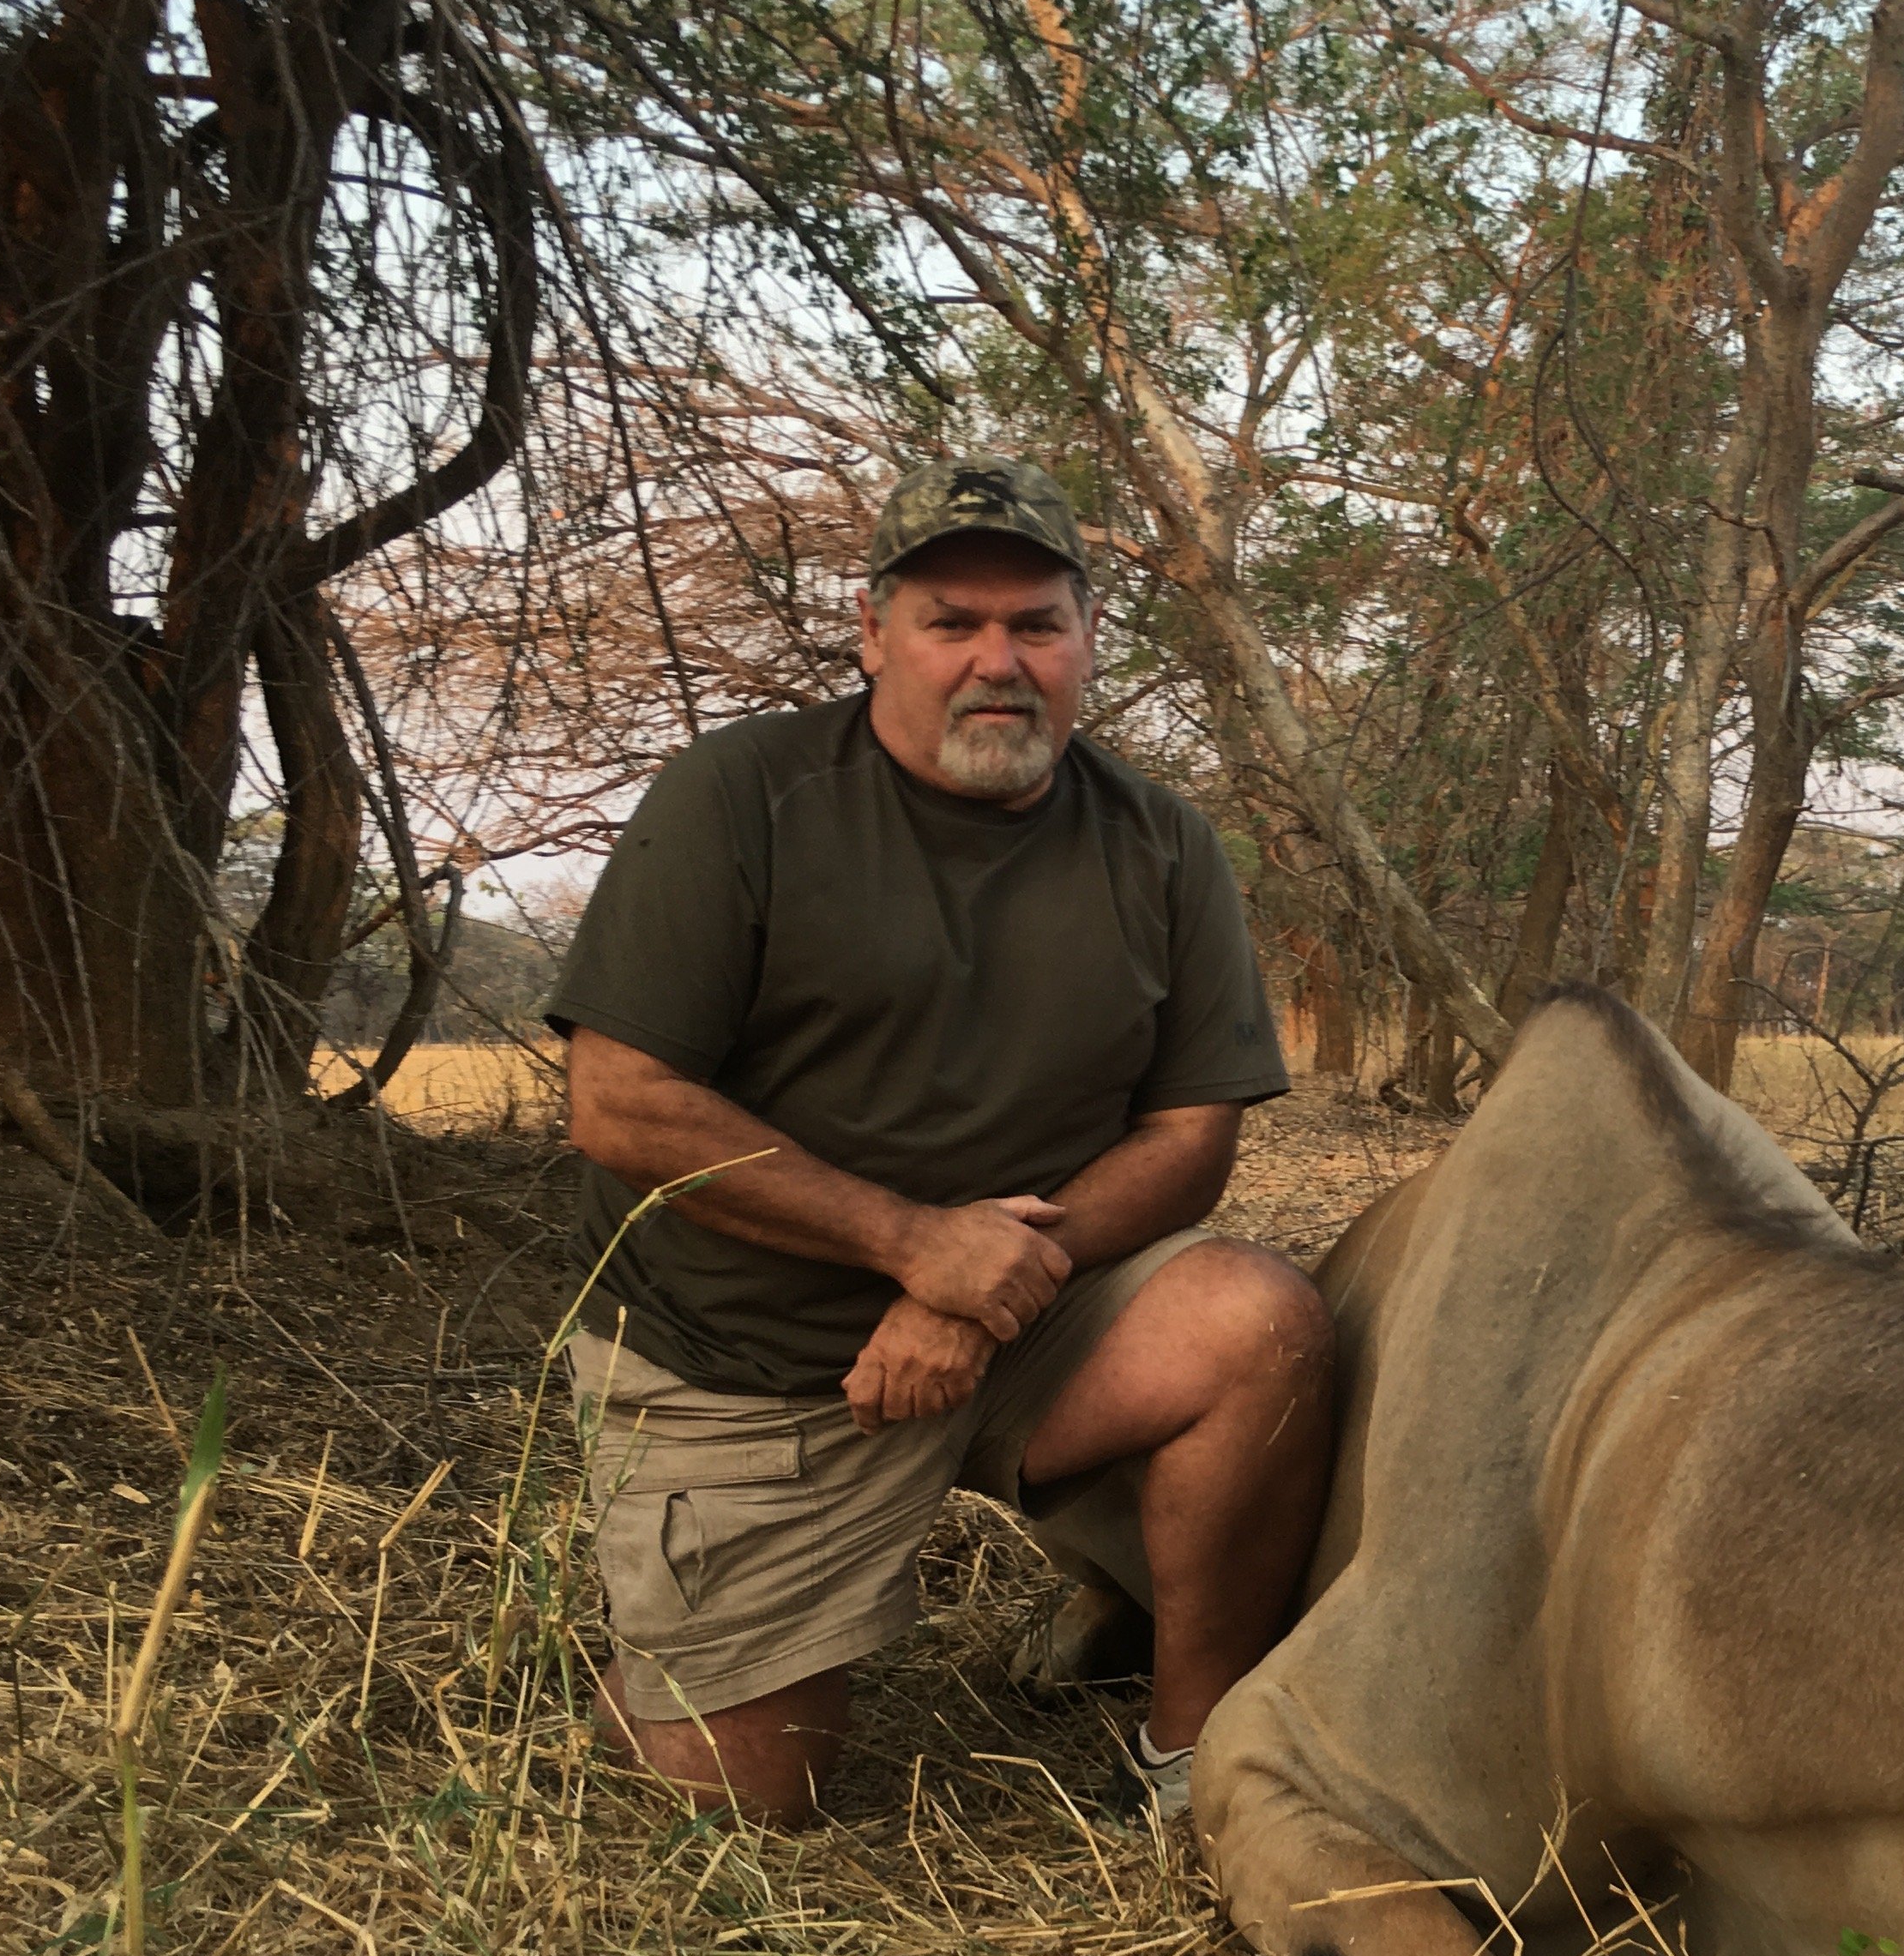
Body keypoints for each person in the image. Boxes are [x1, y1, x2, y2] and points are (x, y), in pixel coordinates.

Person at [545, 452, 1331, 1827]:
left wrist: (986, 1287)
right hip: (761, 1360)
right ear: (873, 634)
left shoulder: (1161, 843)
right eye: (951, 622)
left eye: (1036, 625)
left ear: (1087, 642)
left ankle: (1198, 1759)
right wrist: (913, 1244)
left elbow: (1192, 1138)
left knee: (1256, 1321)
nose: (997, 663)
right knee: (738, 1807)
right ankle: (680, 1657)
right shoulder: (741, 796)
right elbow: (619, 1106)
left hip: (1028, 1324)